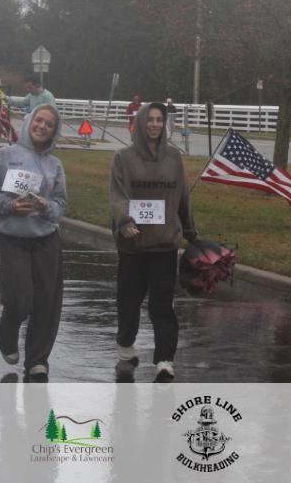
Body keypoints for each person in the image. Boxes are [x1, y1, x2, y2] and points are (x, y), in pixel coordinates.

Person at [109, 102, 197, 382]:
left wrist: (191, 231)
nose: (155, 124)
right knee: (129, 300)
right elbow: (119, 194)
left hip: (164, 244)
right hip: (133, 244)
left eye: (160, 120)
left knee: (162, 304)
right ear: (141, 122)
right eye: (150, 119)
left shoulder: (174, 157)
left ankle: (164, 358)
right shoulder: (123, 158)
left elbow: (182, 195)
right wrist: (125, 222)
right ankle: (126, 345)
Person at [0, 104, 67, 383]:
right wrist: (10, 205)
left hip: (46, 238)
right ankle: (5, 331)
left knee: (46, 301)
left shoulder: (55, 165)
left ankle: (37, 360)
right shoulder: (5, 156)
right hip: (13, 237)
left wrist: (44, 206)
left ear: (54, 132)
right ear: (30, 121)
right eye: (39, 120)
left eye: (49, 125)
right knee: (20, 298)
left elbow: (60, 205)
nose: (42, 127)